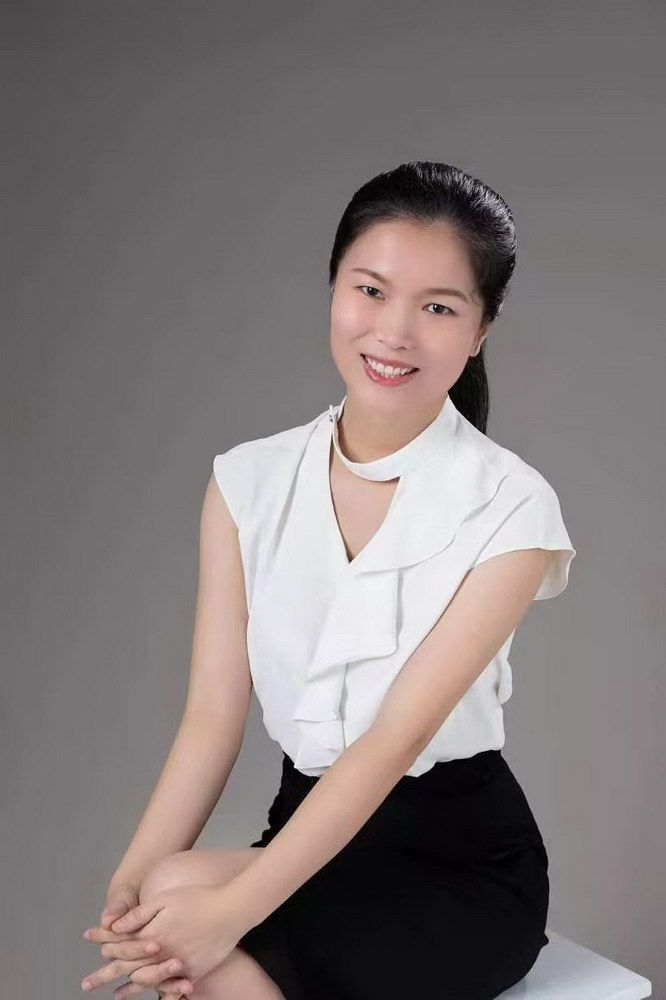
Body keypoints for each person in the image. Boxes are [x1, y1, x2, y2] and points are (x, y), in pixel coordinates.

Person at [81, 162, 576, 1000]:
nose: (394, 332)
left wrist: (229, 914)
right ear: (334, 287)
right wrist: (127, 886)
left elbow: (394, 743)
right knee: (162, 894)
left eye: (439, 308)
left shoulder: (512, 505)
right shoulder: (248, 482)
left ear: (480, 330)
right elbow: (211, 718)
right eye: (371, 290)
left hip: (460, 870)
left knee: (202, 948)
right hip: (308, 836)